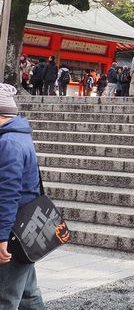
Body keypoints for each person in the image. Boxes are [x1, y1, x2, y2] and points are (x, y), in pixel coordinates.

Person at [0, 84, 46, 309]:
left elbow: (7, 195)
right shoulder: (20, 136)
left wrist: (2, 238)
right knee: (28, 293)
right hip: (24, 228)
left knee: (5, 297)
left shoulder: (8, 143)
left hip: (13, 231)